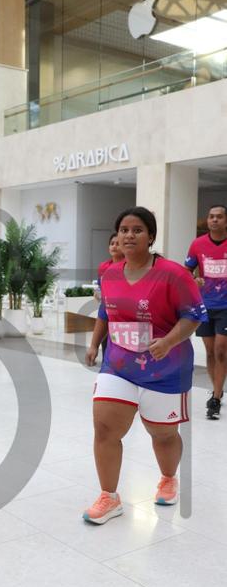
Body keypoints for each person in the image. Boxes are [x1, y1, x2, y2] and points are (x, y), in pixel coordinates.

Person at [84, 207, 207, 524]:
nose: (129, 235)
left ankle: (168, 478)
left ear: (150, 236)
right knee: (104, 428)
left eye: (137, 230)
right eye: (124, 230)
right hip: (118, 365)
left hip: (166, 370)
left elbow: (193, 315)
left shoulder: (173, 274)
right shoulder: (110, 274)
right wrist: (95, 344)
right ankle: (109, 497)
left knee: (162, 434)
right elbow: (107, 315)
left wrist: (168, 342)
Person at [184, 205, 227, 420]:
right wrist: (194, 280)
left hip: (226, 306)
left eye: (219, 217)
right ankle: (217, 388)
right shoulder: (197, 244)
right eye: (211, 217)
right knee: (210, 352)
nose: (215, 220)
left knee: (220, 350)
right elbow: (186, 271)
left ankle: (216, 398)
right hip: (205, 305)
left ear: (226, 221)